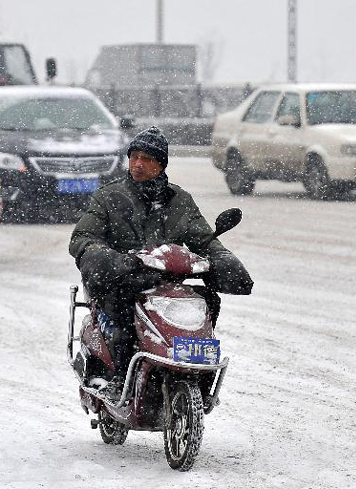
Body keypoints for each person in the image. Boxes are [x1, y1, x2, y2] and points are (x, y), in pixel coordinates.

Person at [69, 126, 253, 399]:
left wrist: (221, 258)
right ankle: (119, 377)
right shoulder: (108, 197)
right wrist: (109, 258)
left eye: (148, 159)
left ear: (162, 164)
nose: (139, 164)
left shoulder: (180, 201)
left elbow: (203, 239)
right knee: (122, 315)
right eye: (134, 157)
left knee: (208, 301)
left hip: (167, 285)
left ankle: (197, 370)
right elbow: (82, 238)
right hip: (120, 281)